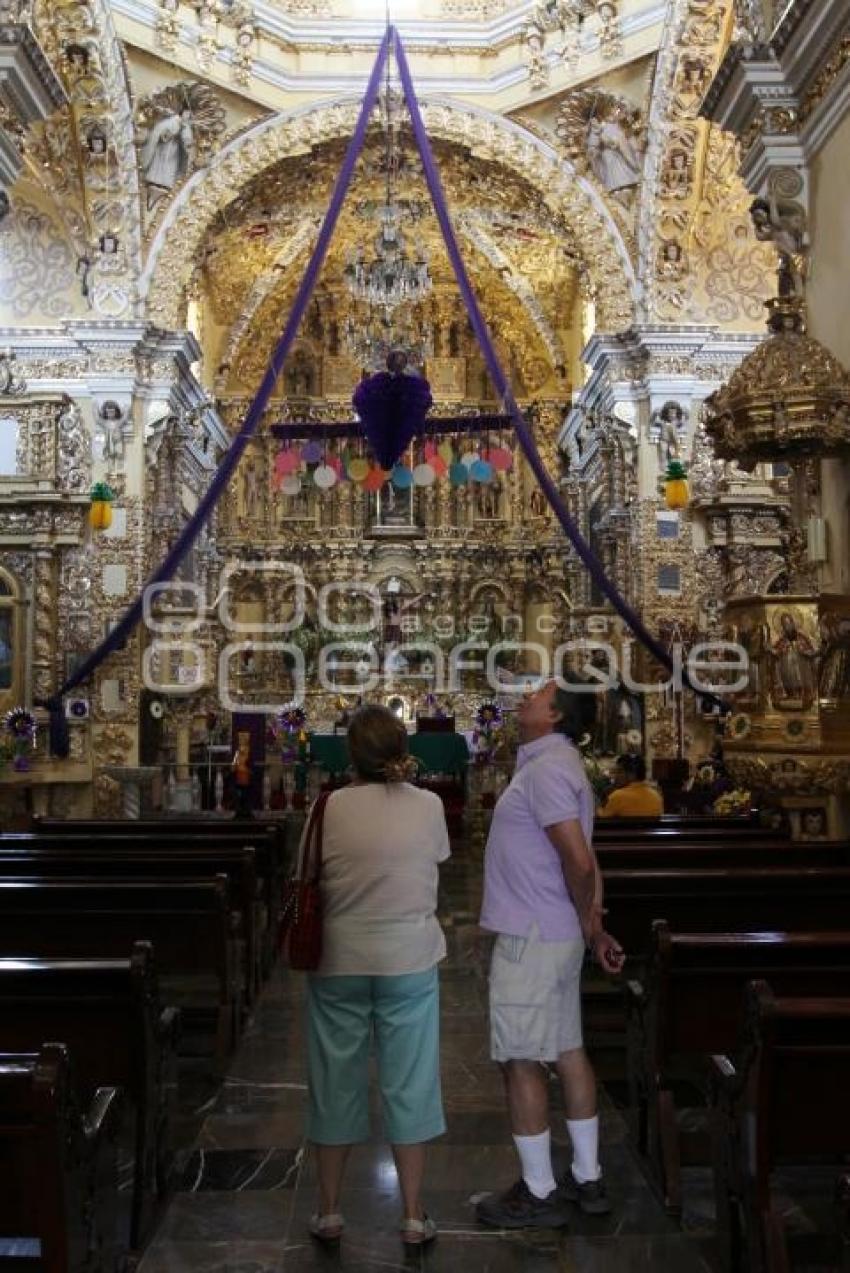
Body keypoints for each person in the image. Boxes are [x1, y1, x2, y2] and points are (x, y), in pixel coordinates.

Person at [475, 680, 624, 1229]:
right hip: (552, 928)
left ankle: (538, 1192)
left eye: (536, 694)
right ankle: (588, 1178)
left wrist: (591, 923)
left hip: (533, 938)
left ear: (555, 715)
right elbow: (585, 860)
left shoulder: (545, 771)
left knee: (520, 1059)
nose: (524, 698)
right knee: (567, 1049)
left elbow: (580, 862)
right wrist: (593, 926)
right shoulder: (553, 764)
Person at [303, 705, 450, 1247]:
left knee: (333, 1081)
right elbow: (436, 860)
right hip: (409, 957)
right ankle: (413, 1214)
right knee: (411, 1082)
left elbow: (308, 874)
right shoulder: (430, 805)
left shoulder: (329, 808)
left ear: (350, 752)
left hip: (339, 959)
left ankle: (330, 1210)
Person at [597, 754, 663, 818]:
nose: (615, 776)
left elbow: (602, 819)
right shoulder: (656, 796)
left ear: (632, 774)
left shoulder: (618, 796)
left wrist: (597, 807)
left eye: (620, 771)